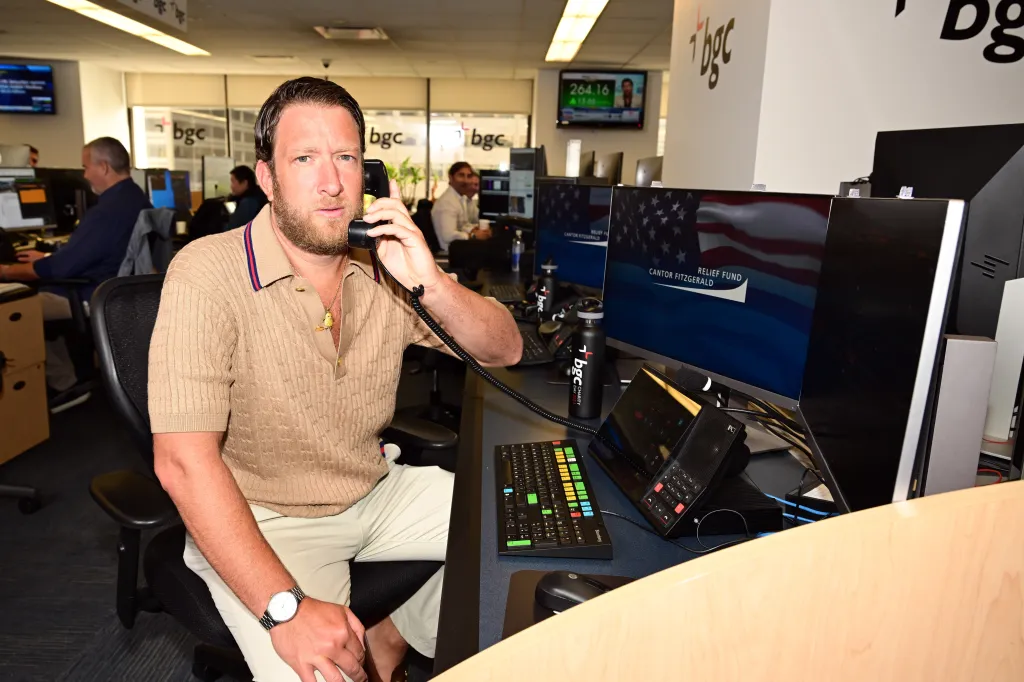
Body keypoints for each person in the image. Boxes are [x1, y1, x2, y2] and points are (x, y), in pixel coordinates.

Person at [148, 77, 521, 682]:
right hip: (267, 516)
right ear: (267, 178)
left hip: (374, 487)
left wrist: (429, 281)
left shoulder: (383, 267)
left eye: (345, 158)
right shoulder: (206, 273)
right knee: (321, 670)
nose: (331, 183)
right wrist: (284, 610)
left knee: (539, 532)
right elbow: (181, 462)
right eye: (304, 159)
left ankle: (392, 631)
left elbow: (505, 349)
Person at [0, 136, 151, 413]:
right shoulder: (136, 198)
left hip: (87, 292)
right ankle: (65, 379)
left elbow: (59, 269)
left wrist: (8, 271)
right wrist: (49, 257)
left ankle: (60, 384)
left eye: (86, 167)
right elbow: (88, 254)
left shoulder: (106, 211)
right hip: (116, 287)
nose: (84, 174)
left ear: (104, 167)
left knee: (18, 306)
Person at [430, 162, 489, 251]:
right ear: (451, 177)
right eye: (461, 175)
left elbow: (462, 225)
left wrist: (473, 230)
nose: (465, 180)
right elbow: (448, 235)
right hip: (450, 253)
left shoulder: (460, 199)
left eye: (468, 176)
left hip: (460, 248)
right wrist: (473, 236)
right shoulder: (447, 202)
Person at [225, 164, 268, 230]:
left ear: (244, 183)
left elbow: (232, 229)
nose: (231, 186)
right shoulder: (258, 195)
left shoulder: (248, 203)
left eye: (233, 182)